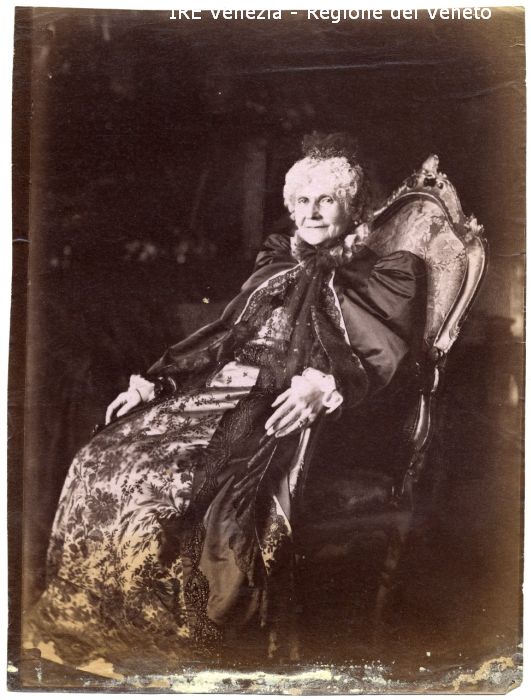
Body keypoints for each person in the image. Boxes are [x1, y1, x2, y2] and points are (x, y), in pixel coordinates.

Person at [24, 133, 427, 672]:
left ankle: (179, 645)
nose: (311, 212)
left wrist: (324, 386)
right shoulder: (278, 260)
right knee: (100, 457)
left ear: (353, 207)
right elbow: (222, 336)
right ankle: (97, 626)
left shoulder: (386, 273)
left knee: (178, 482)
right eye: (302, 200)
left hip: (285, 407)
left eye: (326, 200)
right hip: (219, 391)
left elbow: (385, 359)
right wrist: (158, 382)